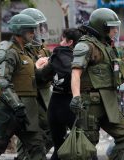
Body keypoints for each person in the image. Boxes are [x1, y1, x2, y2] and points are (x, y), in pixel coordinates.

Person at [70, 8, 124, 159]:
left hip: (108, 104)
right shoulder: (86, 45)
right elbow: (76, 72)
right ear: (103, 27)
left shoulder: (106, 46)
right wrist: (76, 97)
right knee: (86, 150)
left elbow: (111, 74)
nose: (115, 31)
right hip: (90, 104)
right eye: (112, 27)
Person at [0, 14, 46, 160]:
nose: (33, 33)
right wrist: (17, 106)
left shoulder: (25, 51)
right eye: (30, 30)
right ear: (21, 31)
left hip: (26, 109)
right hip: (10, 109)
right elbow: (4, 82)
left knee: (37, 148)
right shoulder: (10, 52)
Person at [36, 28, 83, 160]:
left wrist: (38, 67)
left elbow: (42, 76)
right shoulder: (81, 58)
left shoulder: (56, 55)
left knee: (58, 147)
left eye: (63, 39)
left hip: (55, 103)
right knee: (82, 143)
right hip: (72, 102)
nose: (61, 42)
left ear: (70, 42)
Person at [17, 8, 53, 159]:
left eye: (41, 28)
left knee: (53, 130)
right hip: (29, 97)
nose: (39, 32)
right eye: (36, 29)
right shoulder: (18, 49)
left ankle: (33, 155)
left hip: (45, 95)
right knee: (30, 133)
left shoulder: (43, 49)